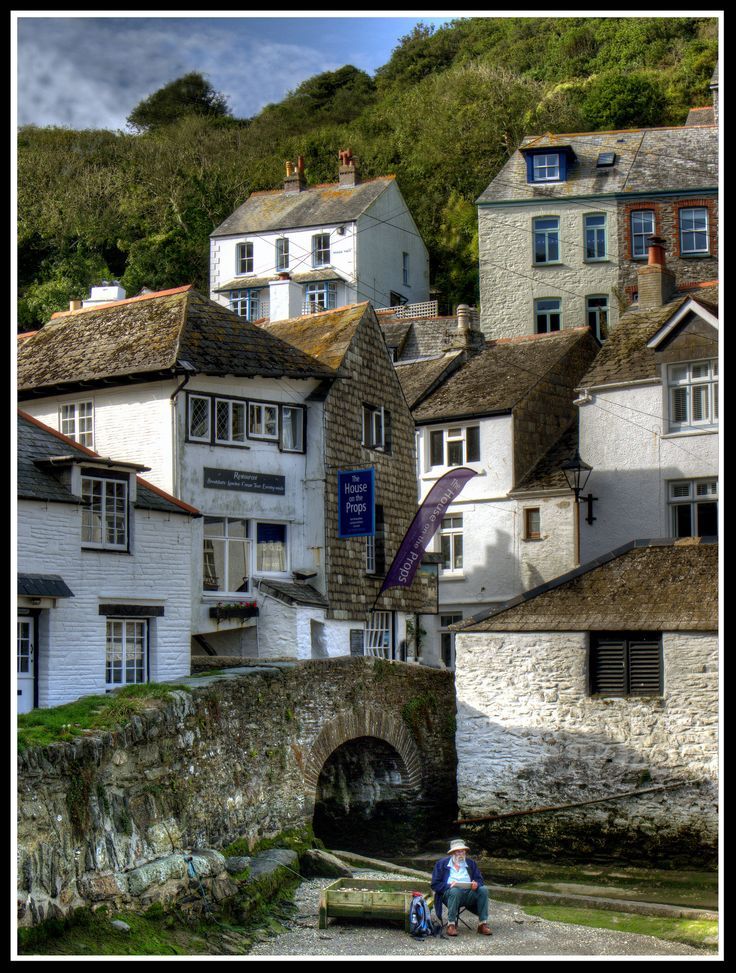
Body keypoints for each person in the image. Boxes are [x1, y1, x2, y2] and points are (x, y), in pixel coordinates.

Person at [431, 838, 491, 937]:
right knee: (455, 891)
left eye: (463, 851)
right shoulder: (441, 864)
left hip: (468, 895)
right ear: (452, 853)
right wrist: (449, 885)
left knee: (483, 889)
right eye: (458, 851)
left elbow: (480, 880)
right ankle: (451, 925)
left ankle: (482, 924)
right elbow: (435, 884)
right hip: (450, 895)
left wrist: (476, 884)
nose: (461, 853)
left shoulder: (471, 863)